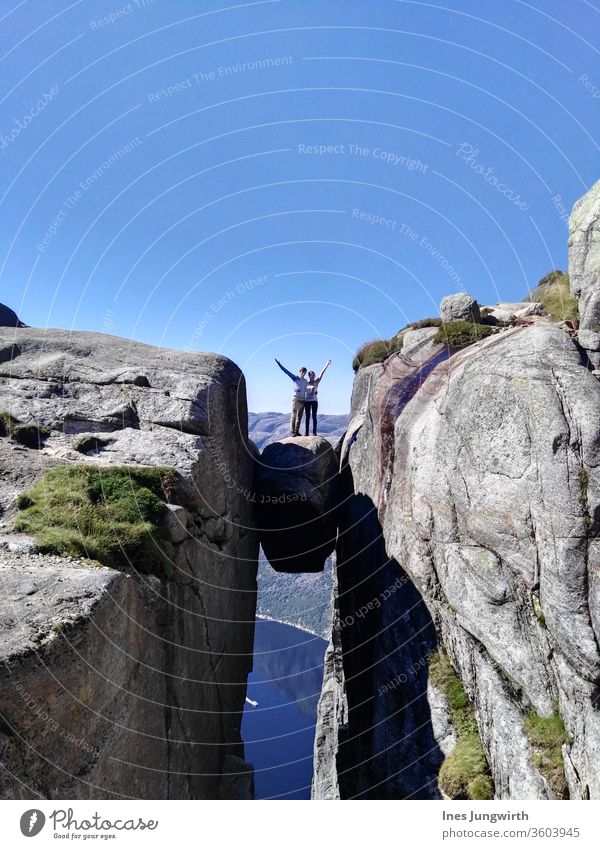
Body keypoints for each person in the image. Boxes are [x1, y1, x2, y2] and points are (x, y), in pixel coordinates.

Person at [275, 359, 308, 436]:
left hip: (302, 399)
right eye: (302, 371)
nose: (303, 373)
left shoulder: (306, 381)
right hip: (296, 398)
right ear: (300, 371)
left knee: (299, 417)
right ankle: (292, 431)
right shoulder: (295, 378)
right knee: (294, 415)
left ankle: (297, 431)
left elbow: (307, 389)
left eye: (304, 372)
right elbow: (286, 372)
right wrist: (279, 364)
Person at [304, 359, 332, 436]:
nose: (312, 376)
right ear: (309, 376)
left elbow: (322, 373)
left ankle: (314, 432)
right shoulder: (306, 383)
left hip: (314, 401)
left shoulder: (316, 382)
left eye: (313, 375)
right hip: (307, 401)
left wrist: (327, 364)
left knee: (314, 417)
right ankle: (306, 433)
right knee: (307, 417)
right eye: (311, 375)